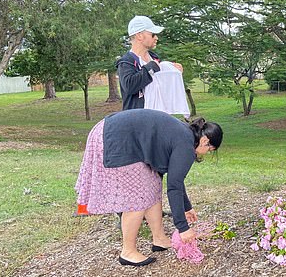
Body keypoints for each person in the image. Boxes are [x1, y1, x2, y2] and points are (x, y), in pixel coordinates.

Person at [75, 109, 223, 267]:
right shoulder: (186, 145)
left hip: (116, 131)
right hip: (116, 137)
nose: (206, 153)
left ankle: (159, 239)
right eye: (209, 149)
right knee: (137, 196)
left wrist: (187, 207)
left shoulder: (185, 136)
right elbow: (173, 187)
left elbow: (177, 180)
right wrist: (183, 228)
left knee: (152, 185)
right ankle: (128, 252)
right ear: (205, 140)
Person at [116, 15, 184, 111]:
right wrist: (150, 68)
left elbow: (161, 88)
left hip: (160, 118)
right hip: (138, 121)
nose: (156, 38)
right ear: (139, 36)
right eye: (152, 34)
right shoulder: (126, 62)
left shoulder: (154, 58)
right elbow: (130, 86)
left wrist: (173, 73)